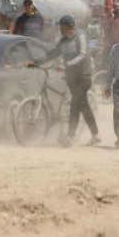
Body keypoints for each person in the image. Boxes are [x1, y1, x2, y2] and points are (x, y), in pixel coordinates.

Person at [32, 15, 100, 146]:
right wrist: (36, 61)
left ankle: (70, 136)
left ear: (68, 26)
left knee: (75, 106)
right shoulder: (63, 41)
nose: (60, 29)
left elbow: (83, 54)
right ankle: (96, 135)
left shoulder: (80, 36)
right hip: (71, 77)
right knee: (83, 106)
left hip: (83, 76)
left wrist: (66, 64)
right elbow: (52, 53)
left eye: (61, 27)